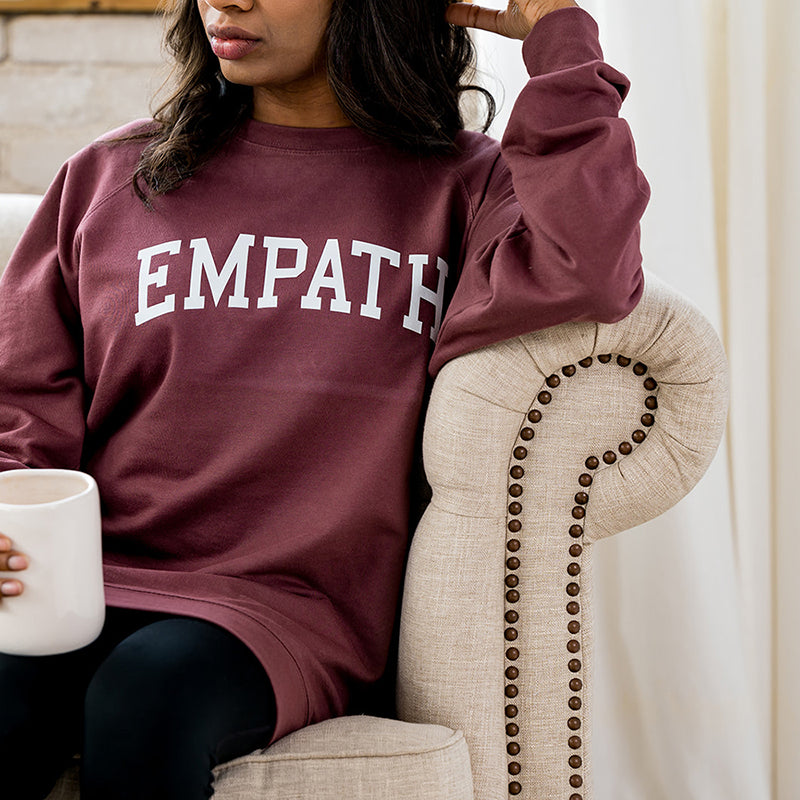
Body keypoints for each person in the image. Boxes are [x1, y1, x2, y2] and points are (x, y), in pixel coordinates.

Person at [0, 0, 649, 796]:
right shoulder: (105, 178)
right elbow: (22, 403)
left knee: (148, 692)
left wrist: (561, 36)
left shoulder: (463, 186)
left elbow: (593, 266)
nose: (225, 1)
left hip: (287, 612)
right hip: (84, 583)